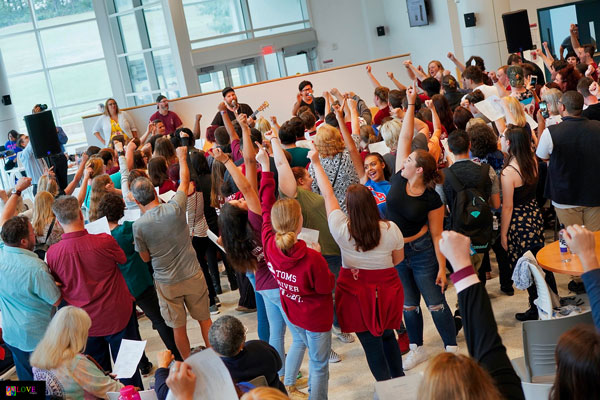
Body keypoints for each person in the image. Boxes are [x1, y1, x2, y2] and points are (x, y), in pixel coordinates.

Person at [310, 143, 405, 382]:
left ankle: (385, 388)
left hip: (355, 294)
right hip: (386, 291)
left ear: (349, 208)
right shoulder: (390, 229)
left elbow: (328, 194)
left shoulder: (341, 229)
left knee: (371, 347)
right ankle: (400, 380)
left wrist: (316, 163)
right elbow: (398, 260)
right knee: (388, 337)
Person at [385, 84, 457, 370]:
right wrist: (411, 103)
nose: (403, 161)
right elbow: (404, 136)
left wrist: (442, 267)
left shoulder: (431, 199)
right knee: (409, 305)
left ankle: (451, 348)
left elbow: (437, 234)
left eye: (410, 161)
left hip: (423, 250)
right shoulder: (399, 178)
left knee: (436, 302)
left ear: (419, 170)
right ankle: (417, 348)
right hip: (397, 251)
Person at [257, 141, 335, 400]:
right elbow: (326, 288)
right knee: (319, 365)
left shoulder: (269, 241)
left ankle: (289, 381)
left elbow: (266, 202)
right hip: (315, 318)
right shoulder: (312, 257)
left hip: (294, 311)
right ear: (300, 222)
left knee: (306, 349)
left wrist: (265, 167)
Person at [45, 195, 144, 388]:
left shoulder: (53, 254)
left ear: (58, 222)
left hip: (84, 324)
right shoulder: (104, 241)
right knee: (128, 371)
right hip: (116, 314)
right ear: (81, 217)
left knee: (97, 378)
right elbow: (122, 259)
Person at [418, 230, 525, 400]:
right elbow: (489, 347)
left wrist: (462, 267)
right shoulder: (505, 394)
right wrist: (462, 265)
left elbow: (489, 350)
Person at [132, 146, 212, 360]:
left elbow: (145, 258)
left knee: (179, 328)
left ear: (137, 201)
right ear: (155, 191)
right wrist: (182, 158)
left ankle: (187, 364)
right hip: (192, 272)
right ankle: (215, 360)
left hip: (167, 282)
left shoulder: (138, 226)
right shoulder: (175, 208)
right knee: (205, 320)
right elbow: (184, 182)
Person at [97, 193, 182, 361]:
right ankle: (177, 354)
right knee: (159, 319)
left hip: (120, 287)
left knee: (131, 329)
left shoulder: (102, 237)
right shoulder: (128, 228)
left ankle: (142, 363)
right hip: (140, 281)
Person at [0, 177, 61, 381]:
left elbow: (4, 219)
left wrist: (17, 192)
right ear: (24, 241)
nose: (36, 235)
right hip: (38, 338)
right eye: (33, 234)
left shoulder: (2, 252)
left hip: (12, 335)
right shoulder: (36, 268)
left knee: (26, 384)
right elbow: (56, 300)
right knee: (51, 385)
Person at [501, 126, 557, 321]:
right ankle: (550, 299)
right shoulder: (532, 161)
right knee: (538, 259)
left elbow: (507, 207)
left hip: (519, 221)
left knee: (527, 264)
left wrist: (503, 233)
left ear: (509, 143)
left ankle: (536, 306)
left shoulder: (509, 172)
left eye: (503, 137)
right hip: (534, 215)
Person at [537, 91, 600, 231]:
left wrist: (541, 123)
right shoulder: (597, 127)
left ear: (563, 107)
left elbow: (542, 155)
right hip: (595, 193)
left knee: (573, 239)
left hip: (565, 194)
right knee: (595, 241)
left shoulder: (552, 132)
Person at [30, 306, 124, 398]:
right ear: (78, 334)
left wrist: (99, 376)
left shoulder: (40, 354)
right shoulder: (75, 361)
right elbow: (112, 390)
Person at [443, 129, 500, 268]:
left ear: (449, 149)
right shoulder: (487, 170)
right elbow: (496, 204)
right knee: (479, 271)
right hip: (481, 228)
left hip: (457, 231)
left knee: (464, 274)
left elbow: (443, 211)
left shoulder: (444, 176)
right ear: (469, 145)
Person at [209, 316, 287, 394]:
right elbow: (279, 365)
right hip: (274, 395)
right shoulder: (261, 348)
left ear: (212, 346)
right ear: (241, 344)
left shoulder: (215, 372)